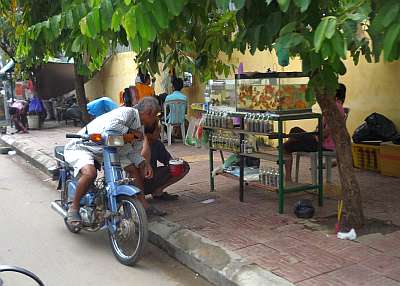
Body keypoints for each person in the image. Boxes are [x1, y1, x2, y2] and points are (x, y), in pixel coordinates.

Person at [64, 97, 162, 225]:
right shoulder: (127, 112)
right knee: (90, 173)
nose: (155, 119)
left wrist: (144, 163)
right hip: (84, 147)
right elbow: (112, 126)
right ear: (148, 112)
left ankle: (144, 205)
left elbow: (133, 151)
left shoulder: (140, 127)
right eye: (155, 116)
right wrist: (131, 132)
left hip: (110, 149)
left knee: (133, 169)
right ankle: (74, 208)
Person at [283, 84, 347, 182]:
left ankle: (287, 170)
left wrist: (316, 136)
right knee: (295, 131)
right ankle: (287, 149)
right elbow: (322, 127)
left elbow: (327, 131)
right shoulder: (334, 106)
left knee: (288, 143)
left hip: (323, 144)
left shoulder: (335, 107)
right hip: (321, 139)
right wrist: (315, 132)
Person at [139, 121, 190, 201]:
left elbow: (168, 160)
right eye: (157, 131)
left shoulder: (157, 144)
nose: (159, 134)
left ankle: (158, 192)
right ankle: (139, 196)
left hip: (152, 178)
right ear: (148, 134)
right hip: (138, 182)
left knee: (184, 167)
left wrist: (177, 162)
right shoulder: (136, 145)